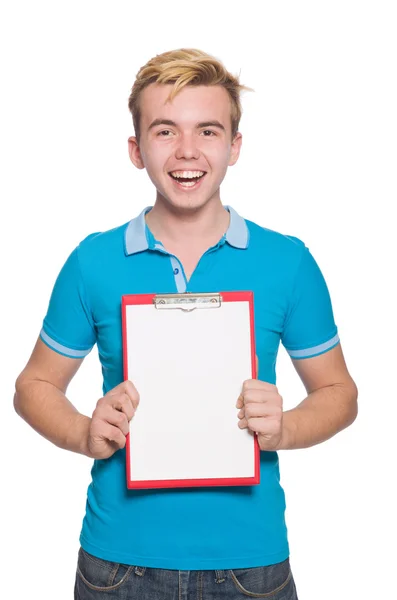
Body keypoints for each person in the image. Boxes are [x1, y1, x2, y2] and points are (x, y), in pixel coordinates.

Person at [14, 48, 358, 600]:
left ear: (235, 146)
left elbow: (340, 393)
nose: (188, 151)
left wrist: (286, 425)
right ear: (136, 149)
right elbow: (33, 386)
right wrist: (83, 431)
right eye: (165, 131)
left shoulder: (287, 261)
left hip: (251, 567)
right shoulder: (92, 262)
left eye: (209, 131)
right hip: (118, 566)